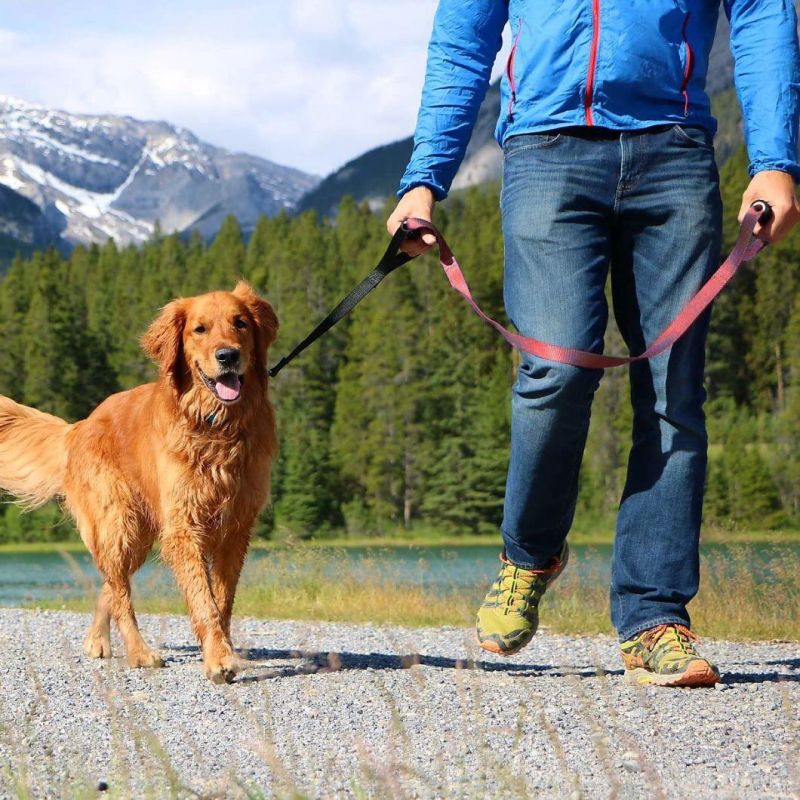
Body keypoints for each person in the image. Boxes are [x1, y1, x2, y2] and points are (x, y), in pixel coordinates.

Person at [387, 0, 800, 687]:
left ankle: (655, 620)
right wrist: (425, 177)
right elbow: (464, 39)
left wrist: (776, 160)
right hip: (545, 152)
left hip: (675, 147)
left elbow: (763, 14)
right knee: (553, 372)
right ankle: (529, 556)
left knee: (674, 391)